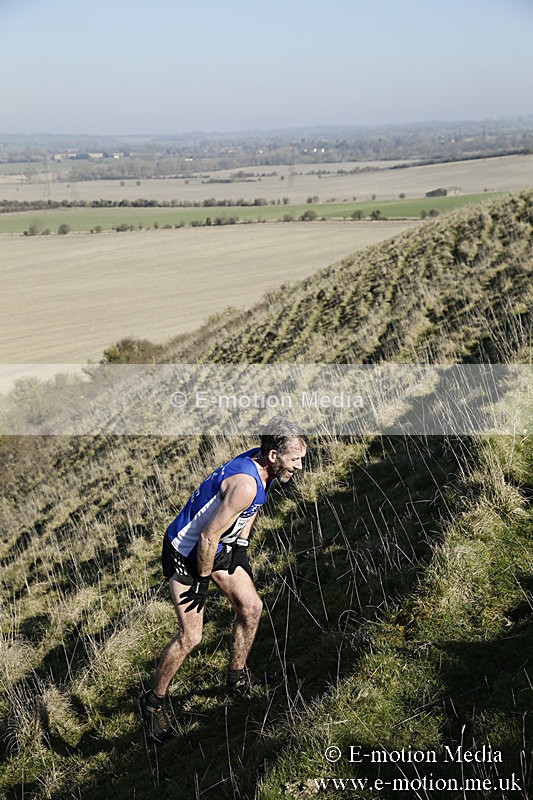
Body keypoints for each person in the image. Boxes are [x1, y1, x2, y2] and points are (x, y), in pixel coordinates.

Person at [139, 416, 309, 743]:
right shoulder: (246, 483)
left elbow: (251, 509)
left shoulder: (265, 466)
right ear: (274, 455)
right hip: (187, 552)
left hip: (216, 545)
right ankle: (154, 702)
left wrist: (241, 547)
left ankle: (237, 679)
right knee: (192, 636)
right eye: (294, 459)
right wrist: (201, 583)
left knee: (251, 607)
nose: (299, 466)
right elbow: (206, 536)